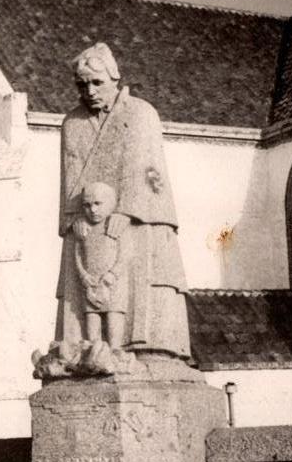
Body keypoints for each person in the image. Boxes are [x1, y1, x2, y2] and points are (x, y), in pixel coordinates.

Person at [55, 42, 191, 359]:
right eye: (82, 84)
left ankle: (145, 348)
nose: (89, 90)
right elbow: (71, 177)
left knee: (138, 276)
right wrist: (72, 218)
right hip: (89, 225)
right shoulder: (72, 124)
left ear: (115, 79)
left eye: (96, 82)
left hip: (136, 218)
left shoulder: (141, 113)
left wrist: (128, 211)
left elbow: (147, 169)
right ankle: (86, 349)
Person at [73, 181, 131, 350]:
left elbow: (125, 254)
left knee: (114, 322)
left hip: (114, 286)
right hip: (90, 286)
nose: (93, 210)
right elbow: (78, 254)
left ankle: (114, 355)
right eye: (87, 205)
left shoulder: (117, 227)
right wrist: (84, 276)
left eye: (97, 203)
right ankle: (95, 359)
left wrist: (111, 276)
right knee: (92, 330)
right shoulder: (83, 229)